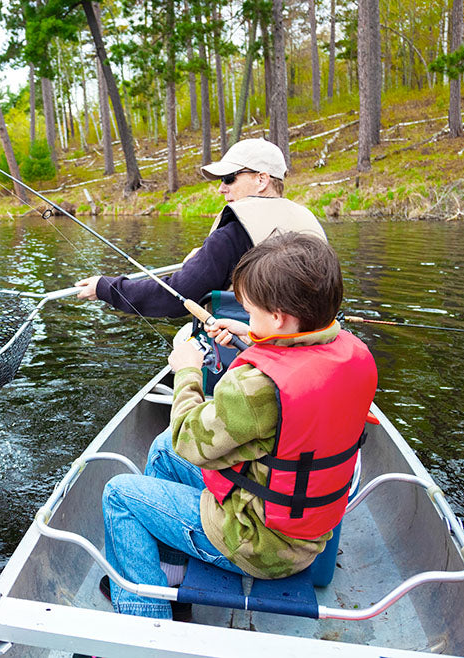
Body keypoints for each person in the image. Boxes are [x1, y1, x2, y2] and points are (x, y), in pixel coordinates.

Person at [98, 233, 378, 620]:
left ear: (279, 317)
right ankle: (172, 572)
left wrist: (187, 372)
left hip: (258, 545)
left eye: (253, 313)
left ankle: (145, 625)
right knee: (161, 450)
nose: (250, 319)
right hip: (307, 534)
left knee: (119, 495)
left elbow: (188, 439)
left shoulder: (253, 389)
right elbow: (292, 377)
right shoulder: (345, 350)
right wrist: (254, 338)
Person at [75, 138, 325, 318]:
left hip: (253, 351)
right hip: (309, 341)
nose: (221, 188)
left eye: (229, 179)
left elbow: (174, 298)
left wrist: (105, 287)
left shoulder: (232, 234)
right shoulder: (305, 218)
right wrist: (208, 258)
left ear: (261, 180)